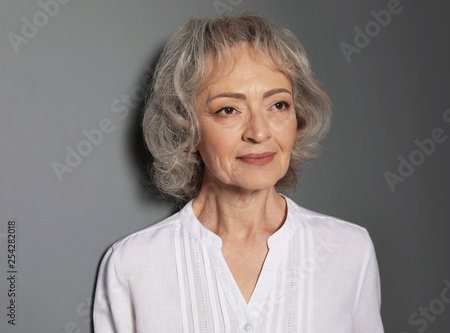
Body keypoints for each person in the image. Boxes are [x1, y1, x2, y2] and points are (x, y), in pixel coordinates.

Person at [93, 13, 384, 333]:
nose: (259, 132)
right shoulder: (132, 265)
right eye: (228, 109)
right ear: (186, 128)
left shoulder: (350, 250)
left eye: (279, 105)